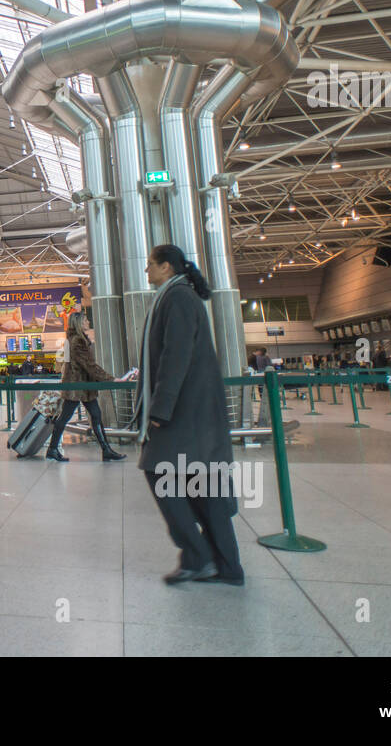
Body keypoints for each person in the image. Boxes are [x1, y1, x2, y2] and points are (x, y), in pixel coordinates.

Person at [134, 244, 243, 587]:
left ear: (167, 267)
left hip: (184, 414)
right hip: (197, 415)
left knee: (159, 473)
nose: (147, 270)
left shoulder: (177, 298)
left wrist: (160, 410)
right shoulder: (178, 296)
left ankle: (198, 557)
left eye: (151, 265)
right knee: (205, 491)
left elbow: (174, 357)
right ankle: (226, 566)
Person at [43, 310, 129, 463]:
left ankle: (106, 449)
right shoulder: (77, 341)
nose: (88, 322)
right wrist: (111, 379)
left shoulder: (75, 339)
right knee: (66, 417)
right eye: (85, 320)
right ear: (79, 323)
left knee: (94, 415)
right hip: (77, 387)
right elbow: (89, 365)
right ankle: (52, 449)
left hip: (81, 386)